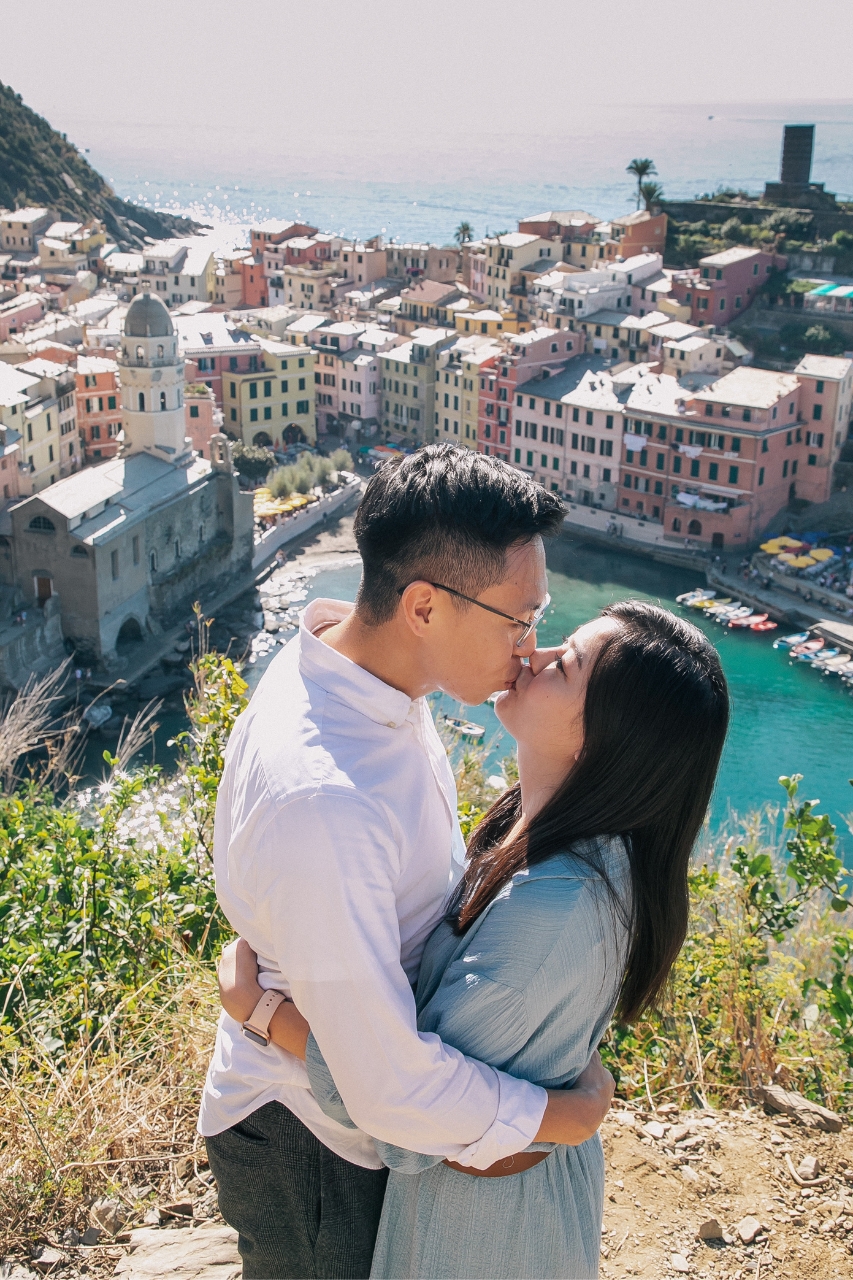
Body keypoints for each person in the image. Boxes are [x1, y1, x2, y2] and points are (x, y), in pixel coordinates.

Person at [199, 444, 615, 1279]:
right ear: (423, 606)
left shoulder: (362, 674)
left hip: (341, 1119)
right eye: (517, 619)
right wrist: (561, 1116)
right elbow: (384, 1085)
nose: (531, 648)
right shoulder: (326, 799)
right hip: (315, 1142)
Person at [220, 600, 729, 1279]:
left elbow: (407, 1114)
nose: (532, 653)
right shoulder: (534, 828)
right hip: (491, 1203)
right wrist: (568, 1110)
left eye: (564, 666)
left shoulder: (554, 908)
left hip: (477, 1233)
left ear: (597, 740)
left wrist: (262, 1013)